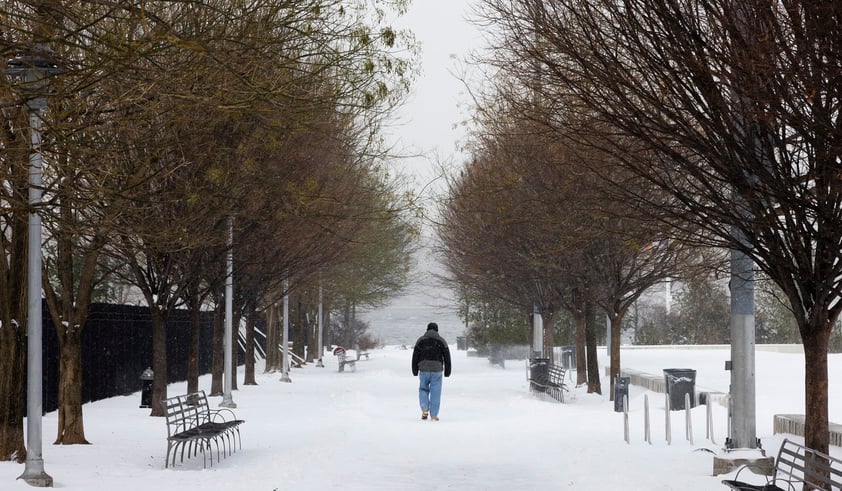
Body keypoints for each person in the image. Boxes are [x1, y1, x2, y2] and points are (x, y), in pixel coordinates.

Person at [411, 322, 452, 421]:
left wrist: (415, 370)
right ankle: (434, 415)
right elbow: (447, 357)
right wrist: (447, 371)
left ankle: (425, 409)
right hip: (437, 369)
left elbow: (415, 356)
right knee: (436, 392)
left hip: (424, 368)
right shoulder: (441, 341)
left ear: (427, 329)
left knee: (423, 389)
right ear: (437, 330)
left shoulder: (420, 340)